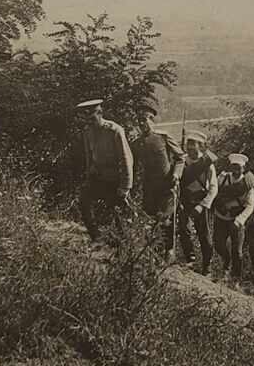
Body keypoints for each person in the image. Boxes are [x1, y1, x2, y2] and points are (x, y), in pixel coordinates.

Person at [131, 105, 185, 262]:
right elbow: (133, 165)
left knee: (166, 219)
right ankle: (153, 252)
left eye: (145, 119)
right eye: (139, 120)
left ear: (152, 120)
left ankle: (169, 252)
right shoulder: (136, 143)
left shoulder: (163, 137)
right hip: (149, 188)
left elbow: (180, 157)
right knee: (149, 218)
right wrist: (132, 184)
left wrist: (176, 174)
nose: (142, 123)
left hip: (167, 186)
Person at [76, 98, 134, 242]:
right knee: (83, 201)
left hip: (115, 180)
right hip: (98, 178)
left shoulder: (114, 130)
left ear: (100, 113)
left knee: (118, 215)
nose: (90, 122)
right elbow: (89, 157)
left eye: (92, 117)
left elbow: (126, 159)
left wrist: (125, 187)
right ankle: (96, 238)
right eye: (87, 119)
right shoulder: (87, 132)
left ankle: (125, 247)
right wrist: (89, 177)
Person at [177, 130, 218, 274]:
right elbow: (178, 181)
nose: (190, 147)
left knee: (205, 235)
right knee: (183, 229)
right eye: (188, 144)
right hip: (185, 200)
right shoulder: (183, 160)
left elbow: (214, 188)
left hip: (201, 200)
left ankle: (207, 265)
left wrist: (202, 206)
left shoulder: (207, 164)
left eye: (193, 144)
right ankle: (190, 259)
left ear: (200, 146)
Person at [213, 153, 254, 282]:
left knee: (237, 251)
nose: (236, 170)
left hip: (237, 220)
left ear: (243, 168)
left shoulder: (247, 184)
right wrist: (218, 207)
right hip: (221, 217)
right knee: (218, 244)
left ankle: (236, 278)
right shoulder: (223, 178)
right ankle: (226, 261)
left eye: (239, 168)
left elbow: (250, 206)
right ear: (231, 167)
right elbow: (214, 192)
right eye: (234, 167)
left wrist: (239, 221)